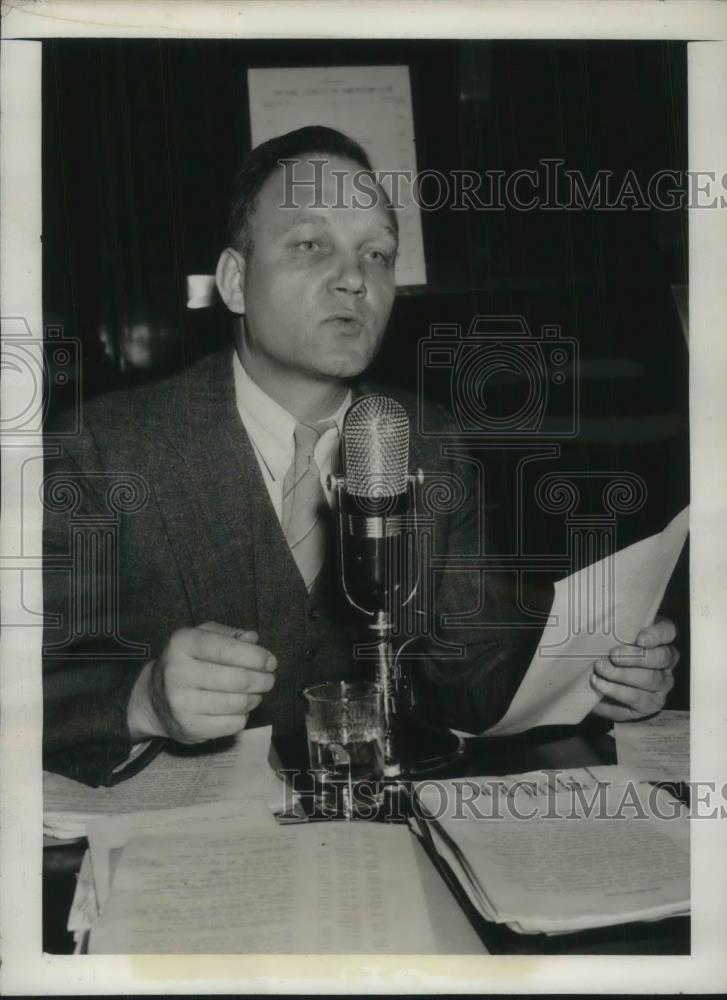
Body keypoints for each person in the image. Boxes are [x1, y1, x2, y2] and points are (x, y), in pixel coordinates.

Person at [42, 126, 679, 786]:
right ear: (235, 281)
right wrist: (144, 699)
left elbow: (469, 676)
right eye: (311, 244)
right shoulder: (100, 449)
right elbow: (26, 683)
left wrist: (595, 676)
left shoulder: (429, 439)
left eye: (376, 254)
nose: (353, 278)